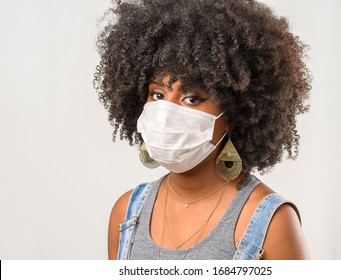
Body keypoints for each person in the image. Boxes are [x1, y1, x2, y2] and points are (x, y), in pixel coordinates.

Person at [94, 0, 311, 260]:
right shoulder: (127, 213)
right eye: (158, 94)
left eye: (192, 98)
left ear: (233, 112)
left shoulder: (270, 223)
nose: (166, 113)